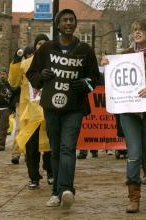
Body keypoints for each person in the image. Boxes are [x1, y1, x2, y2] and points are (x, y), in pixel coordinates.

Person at [26, 9, 100, 209]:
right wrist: (42, 77)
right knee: (56, 149)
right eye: (65, 20)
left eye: (72, 20)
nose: (69, 23)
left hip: (74, 107)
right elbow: (31, 74)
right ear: (57, 25)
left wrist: (85, 84)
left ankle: (66, 189)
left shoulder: (85, 50)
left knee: (68, 147)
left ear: (76, 24)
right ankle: (57, 192)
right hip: (51, 107)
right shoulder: (46, 49)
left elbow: (95, 78)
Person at [102, 18, 146, 213]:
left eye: (141, 30)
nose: (137, 33)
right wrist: (107, 65)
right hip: (129, 112)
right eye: (134, 30)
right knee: (133, 155)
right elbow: (112, 80)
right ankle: (133, 197)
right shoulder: (124, 55)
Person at [8, 36, 52, 190]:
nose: (41, 46)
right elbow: (13, 82)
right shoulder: (25, 64)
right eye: (39, 43)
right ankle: (34, 177)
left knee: (50, 145)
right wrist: (15, 62)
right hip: (30, 113)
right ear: (35, 46)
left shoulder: (54, 63)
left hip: (48, 111)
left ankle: (51, 172)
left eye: (44, 43)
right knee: (31, 148)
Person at [10, 47, 33, 165]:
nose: (29, 56)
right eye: (27, 54)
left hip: (35, 104)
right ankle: (16, 153)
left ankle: (29, 153)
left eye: (31, 54)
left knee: (32, 130)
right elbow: (13, 82)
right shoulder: (22, 67)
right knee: (19, 129)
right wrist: (16, 61)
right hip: (22, 104)